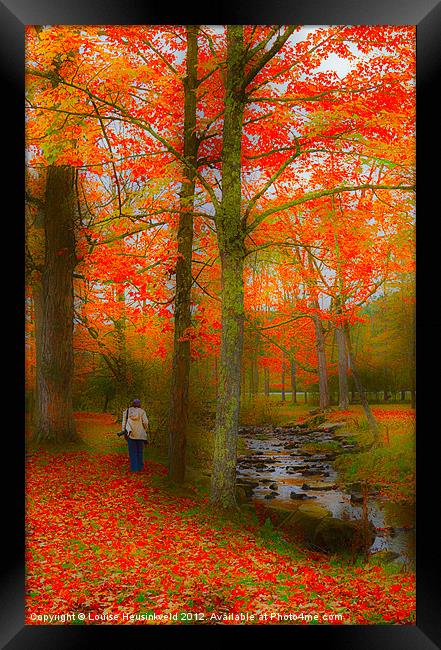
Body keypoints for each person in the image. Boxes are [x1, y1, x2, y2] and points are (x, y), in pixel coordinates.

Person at [122, 399, 149, 472]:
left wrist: (124, 431)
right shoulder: (142, 412)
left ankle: (134, 469)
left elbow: (124, 422)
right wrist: (145, 429)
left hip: (131, 434)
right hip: (140, 435)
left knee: (132, 452)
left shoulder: (127, 411)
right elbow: (146, 422)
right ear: (139, 404)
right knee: (140, 452)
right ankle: (140, 468)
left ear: (132, 404)